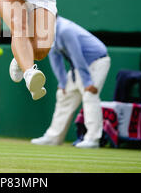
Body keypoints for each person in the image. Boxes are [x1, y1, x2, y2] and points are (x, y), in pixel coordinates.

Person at [31, 16, 111, 148]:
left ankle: (93, 139)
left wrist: (87, 82)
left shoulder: (65, 30)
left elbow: (77, 55)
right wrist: (62, 83)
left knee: (89, 95)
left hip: (97, 62)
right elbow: (55, 58)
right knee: (64, 95)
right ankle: (54, 137)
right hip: (79, 66)